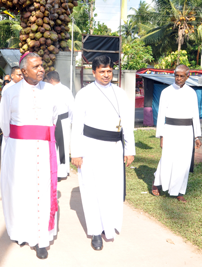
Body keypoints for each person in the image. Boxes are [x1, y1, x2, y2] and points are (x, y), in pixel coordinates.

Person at [71, 55, 136, 251]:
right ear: (94, 72)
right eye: (102, 71)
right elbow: (77, 126)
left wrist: (129, 149)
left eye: (109, 71)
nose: (106, 75)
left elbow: (127, 123)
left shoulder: (120, 93)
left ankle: (109, 225)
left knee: (111, 188)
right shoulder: (84, 94)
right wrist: (76, 152)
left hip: (114, 148)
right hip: (91, 146)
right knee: (91, 189)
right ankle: (95, 232)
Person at [0, 52, 59, 260]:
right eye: (36, 66)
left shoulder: (50, 90)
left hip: (43, 149)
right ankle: (21, 232)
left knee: (41, 192)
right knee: (20, 191)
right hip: (19, 151)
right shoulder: (9, 92)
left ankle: (41, 239)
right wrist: (19, 141)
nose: (41, 69)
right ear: (23, 71)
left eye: (42, 65)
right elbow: (4, 123)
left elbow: (54, 118)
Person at [152, 65, 202, 203]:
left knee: (184, 162)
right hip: (170, 130)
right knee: (167, 159)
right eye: (176, 75)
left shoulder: (192, 92)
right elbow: (161, 115)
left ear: (188, 76)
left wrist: (196, 136)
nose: (178, 78)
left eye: (181, 76)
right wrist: (161, 136)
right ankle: (157, 183)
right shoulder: (166, 92)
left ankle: (180, 191)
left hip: (187, 131)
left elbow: (195, 115)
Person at [45, 71, 74, 182]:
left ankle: (61, 171)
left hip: (62, 120)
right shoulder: (64, 89)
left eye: (47, 80)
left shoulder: (61, 90)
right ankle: (58, 170)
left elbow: (72, 108)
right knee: (56, 146)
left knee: (61, 147)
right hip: (57, 120)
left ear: (51, 79)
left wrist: (69, 121)